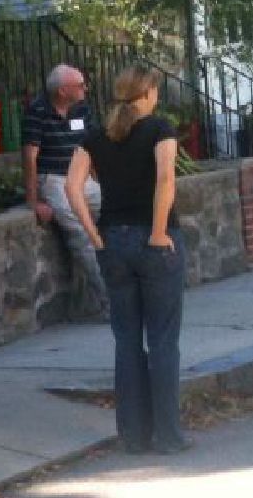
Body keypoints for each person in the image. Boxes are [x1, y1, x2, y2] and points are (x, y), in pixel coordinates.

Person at [65, 65, 188, 455]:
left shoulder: (95, 137)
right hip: (154, 240)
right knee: (163, 339)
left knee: (127, 340)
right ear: (147, 93)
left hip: (113, 242)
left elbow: (71, 187)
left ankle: (133, 436)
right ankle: (168, 436)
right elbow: (165, 179)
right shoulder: (160, 129)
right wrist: (158, 231)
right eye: (155, 90)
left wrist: (93, 235)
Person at [22, 64, 107, 316]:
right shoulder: (37, 112)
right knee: (82, 236)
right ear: (62, 91)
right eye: (79, 85)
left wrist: (99, 179)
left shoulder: (82, 109)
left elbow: (92, 146)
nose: (85, 88)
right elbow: (29, 158)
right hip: (54, 179)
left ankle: (117, 290)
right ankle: (110, 302)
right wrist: (34, 201)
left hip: (83, 178)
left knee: (115, 215)